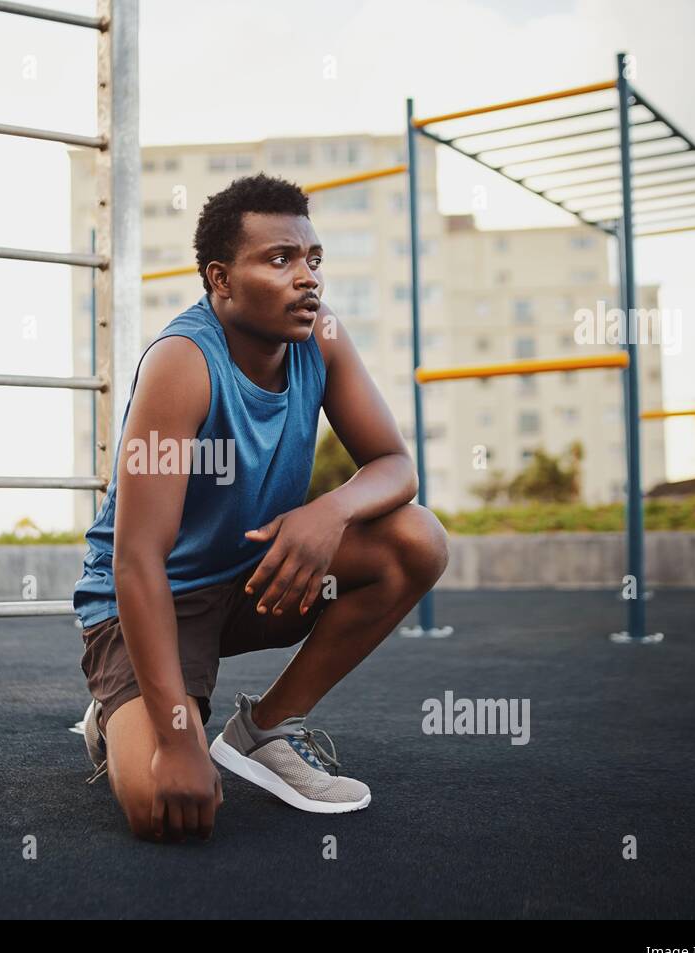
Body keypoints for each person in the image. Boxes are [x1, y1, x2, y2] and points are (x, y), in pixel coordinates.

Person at [72, 172, 449, 843]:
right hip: (155, 600)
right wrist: (181, 738)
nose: (308, 278)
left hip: (256, 576)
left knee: (416, 540)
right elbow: (135, 562)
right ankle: (117, 715)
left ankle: (263, 730)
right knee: (167, 804)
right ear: (220, 280)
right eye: (279, 260)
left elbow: (396, 466)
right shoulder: (182, 363)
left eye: (313, 259)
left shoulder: (321, 337)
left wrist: (325, 514)